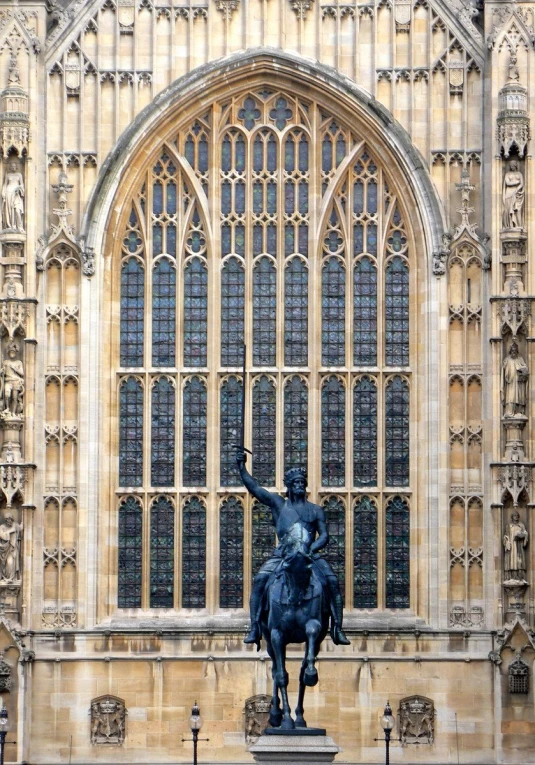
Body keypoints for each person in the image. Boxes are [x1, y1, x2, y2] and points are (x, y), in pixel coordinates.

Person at [236, 455, 350, 647]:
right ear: (289, 486)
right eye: (295, 482)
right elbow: (255, 489)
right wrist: (241, 468)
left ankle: (337, 628)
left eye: (302, 482)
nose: (299, 485)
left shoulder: (315, 510)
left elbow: (323, 536)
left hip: (310, 555)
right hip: (283, 555)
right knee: (260, 581)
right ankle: (255, 626)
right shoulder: (279, 505)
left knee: (332, 581)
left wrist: (312, 548)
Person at [502, 342, 528, 418]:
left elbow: (525, 368)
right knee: (510, 396)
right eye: (512, 350)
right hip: (510, 382)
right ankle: (509, 412)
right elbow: (504, 370)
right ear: (510, 351)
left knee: (519, 396)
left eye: (515, 351)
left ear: (517, 351)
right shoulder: (507, 360)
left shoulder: (520, 359)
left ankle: (519, 411)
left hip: (518, 382)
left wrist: (523, 371)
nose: (514, 352)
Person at [504, 511, 528, 581]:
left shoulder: (521, 525)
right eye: (514, 515)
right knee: (511, 561)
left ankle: (520, 577)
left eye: (517, 515)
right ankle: (511, 577)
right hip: (512, 546)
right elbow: (506, 536)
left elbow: (525, 534)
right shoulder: (508, 526)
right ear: (512, 517)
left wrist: (523, 536)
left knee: (519, 561)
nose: (516, 517)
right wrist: (506, 541)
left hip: (519, 546)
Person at [1, 161, 24, 232]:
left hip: (16, 194)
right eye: (12, 166)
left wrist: (20, 189)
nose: (13, 167)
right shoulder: (8, 175)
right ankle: (9, 225)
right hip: (8, 193)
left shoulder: (19, 175)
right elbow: (5, 184)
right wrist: (3, 192)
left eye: (14, 166)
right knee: (8, 210)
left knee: (17, 210)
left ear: (16, 167)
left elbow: (22, 184)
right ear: (10, 167)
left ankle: (18, 227)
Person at [502, 160, 524, 229]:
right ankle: (509, 225)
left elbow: (522, 183)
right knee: (508, 210)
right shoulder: (507, 174)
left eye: (513, 165)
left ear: (515, 166)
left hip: (517, 193)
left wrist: (517, 188)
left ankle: (517, 225)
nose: (512, 167)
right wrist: (516, 182)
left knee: (517, 209)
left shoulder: (519, 174)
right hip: (508, 193)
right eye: (511, 165)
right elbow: (508, 183)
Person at [0, 513, 22, 582]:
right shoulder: (2, 527)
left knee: (10, 563)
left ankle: (11, 578)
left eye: (9, 519)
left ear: (11, 519)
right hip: (4, 549)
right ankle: (6, 578)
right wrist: (10, 531)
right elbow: (2, 536)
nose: (8, 521)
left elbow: (21, 528)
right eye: (6, 519)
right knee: (7, 564)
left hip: (13, 548)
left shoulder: (15, 525)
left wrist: (26, 514)